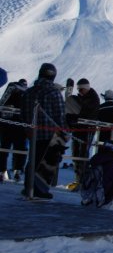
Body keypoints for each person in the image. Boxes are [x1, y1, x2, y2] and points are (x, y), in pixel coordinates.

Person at [20, 62, 67, 199]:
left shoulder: (29, 92)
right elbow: (60, 114)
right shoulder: (54, 93)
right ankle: (40, 190)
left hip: (32, 132)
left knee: (32, 160)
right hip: (50, 133)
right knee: (47, 162)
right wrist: (64, 132)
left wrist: (26, 128)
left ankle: (28, 187)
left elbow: (22, 112)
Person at [66, 78, 100, 190]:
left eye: (81, 90)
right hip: (78, 129)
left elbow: (84, 110)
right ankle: (78, 179)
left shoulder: (93, 98)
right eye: (78, 90)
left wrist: (74, 101)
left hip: (87, 129)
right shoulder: (84, 97)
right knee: (75, 153)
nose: (79, 92)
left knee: (83, 154)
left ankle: (83, 180)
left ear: (86, 88)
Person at [0, 78, 29, 182]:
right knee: (19, 150)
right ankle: (17, 170)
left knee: (5, 149)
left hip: (7, 125)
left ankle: (3, 170)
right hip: (19, 127)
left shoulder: (9, 93)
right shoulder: (26, 95)